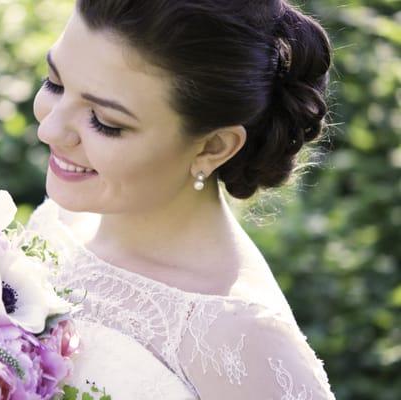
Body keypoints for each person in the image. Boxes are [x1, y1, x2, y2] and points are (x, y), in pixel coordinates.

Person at [27, 0, 336, 398]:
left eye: (105, 122)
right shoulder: (58, 221)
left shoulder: (244, 345)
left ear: (213, 146)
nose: (49, 130)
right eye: (54, 83)